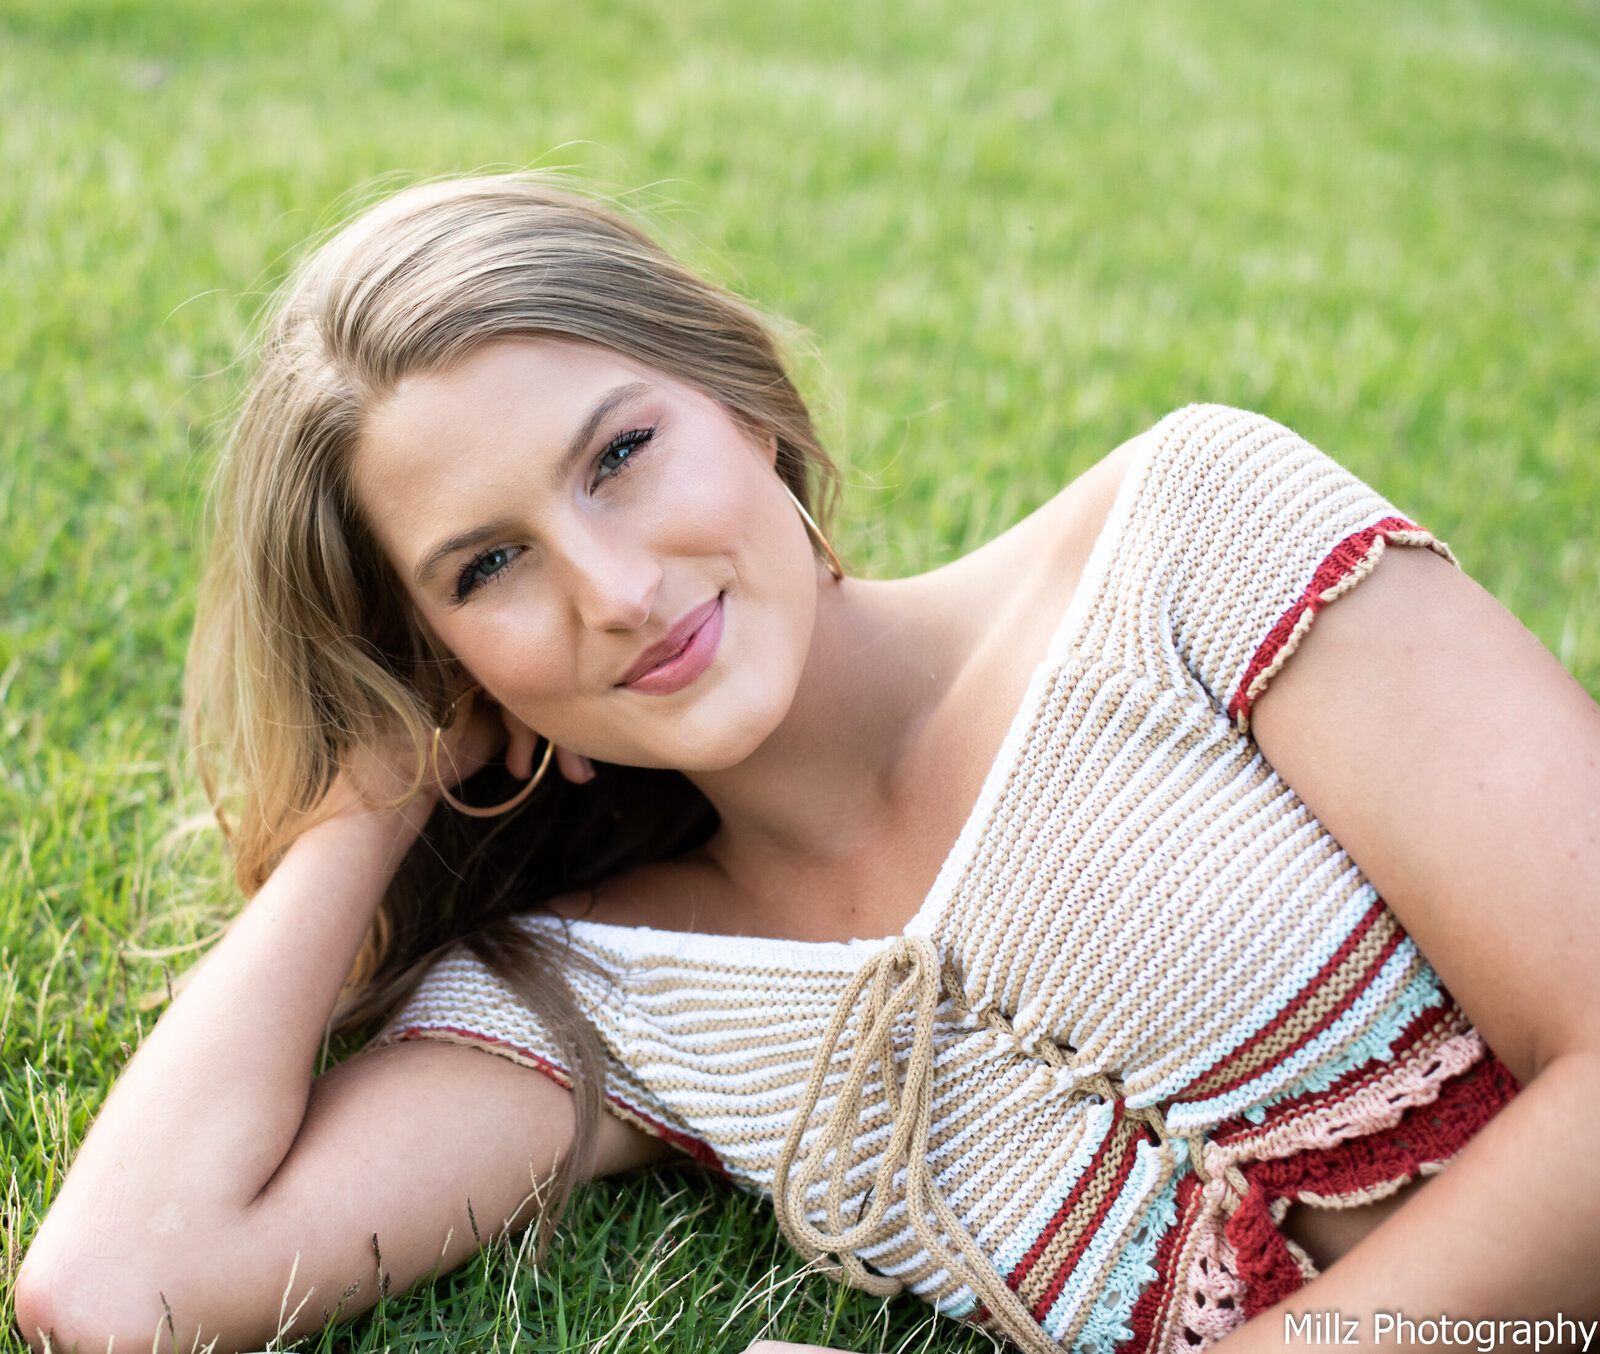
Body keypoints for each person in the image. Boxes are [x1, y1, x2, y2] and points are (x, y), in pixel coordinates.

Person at [13, 173, 1600, 1354]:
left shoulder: (1191, 540)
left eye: (622, 453)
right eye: (486, 569)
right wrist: (372, 788)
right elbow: (122, 1284)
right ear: (445, 663)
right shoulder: (618, 995)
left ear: (745, 401)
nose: (614, 589)